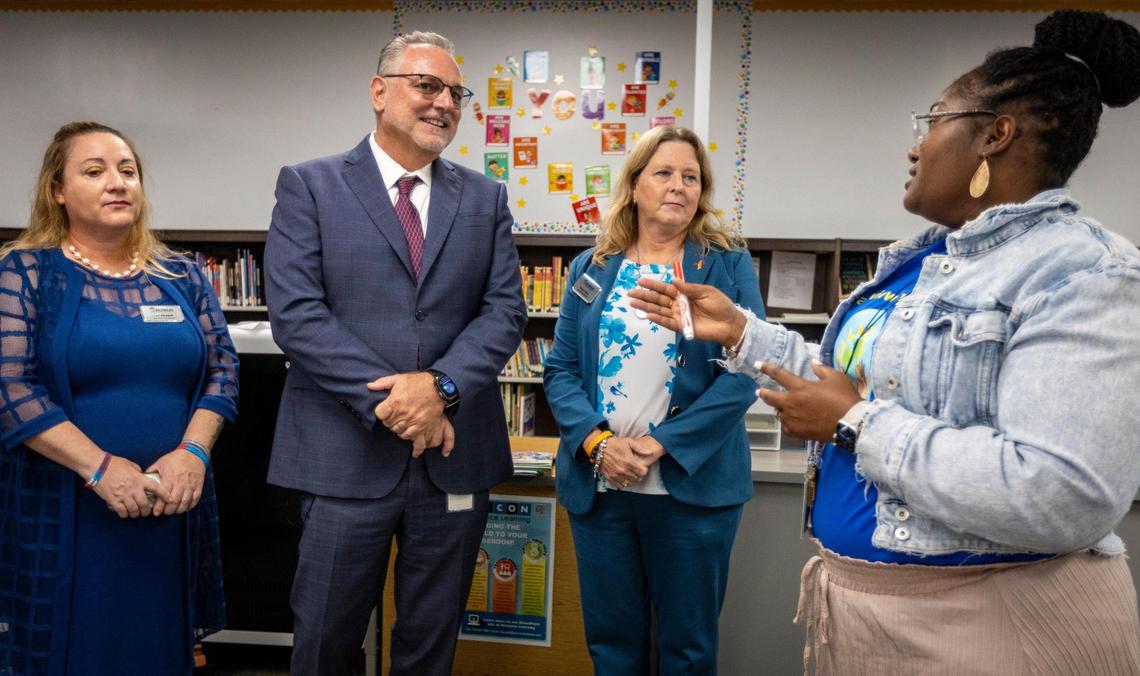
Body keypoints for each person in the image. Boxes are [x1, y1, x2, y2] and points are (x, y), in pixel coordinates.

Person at [630, 10, 1140, 673]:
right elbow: (858, 385)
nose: (914, 146)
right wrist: (745, 334)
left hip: (992, 626)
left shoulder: (1082, 271)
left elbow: (1061, 492)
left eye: (931, 122)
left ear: (995, 134)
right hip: (876, 619)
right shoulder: (918, 264)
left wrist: (854, 423)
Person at [264, 31, 526, 676]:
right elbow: (296, 315)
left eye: (454, 93)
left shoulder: (484, 197)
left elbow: (504, 311)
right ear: (380, 92)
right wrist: (397, 400)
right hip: (342, 456)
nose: (443, 104)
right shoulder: (311, 185)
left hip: (453, 454)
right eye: (426, 85)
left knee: (430, 644)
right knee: (325, 639)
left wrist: (438, 388)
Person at [0, 121, 239, 675]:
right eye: (95, 171)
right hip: (68, 509)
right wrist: (102, 469)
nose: (118, 183)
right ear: (57, 190)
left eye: (127, 171)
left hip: (172, 505)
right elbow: (10, 387)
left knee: (157, 649)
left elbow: (223, 370)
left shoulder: (182, 274)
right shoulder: (26, 272)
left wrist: (193, 454)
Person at [543, 125, 764, 674]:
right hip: (602, 485)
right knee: (612, 647)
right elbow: (561, 370)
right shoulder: (592, 266)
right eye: (664, 173)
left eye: (691, 177)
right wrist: (598, 444)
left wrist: (661, 444)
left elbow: (748, 370)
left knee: (687, 651)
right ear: (635, 185)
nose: (679, 186)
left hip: (692, 489)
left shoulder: (727, 264)